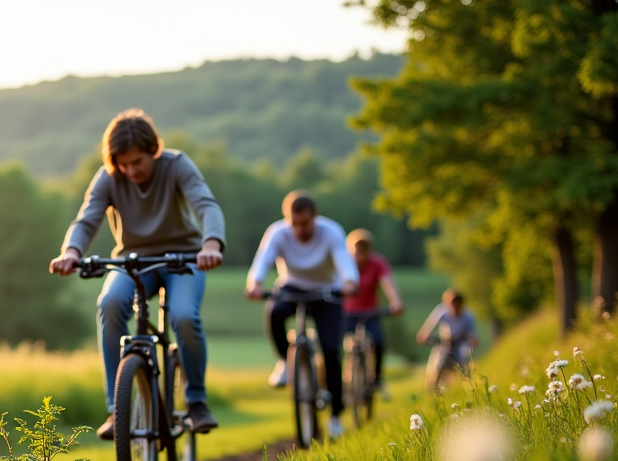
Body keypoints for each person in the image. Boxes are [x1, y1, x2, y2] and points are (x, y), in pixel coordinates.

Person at [50, 109, 225, 441]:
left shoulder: (176, 165)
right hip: (133, 262)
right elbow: (87, 219)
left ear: (153, 151)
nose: (131, 170)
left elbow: (206, 205)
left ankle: (197, 400)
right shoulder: (108, 177)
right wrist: (71, 252)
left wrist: (212, 243)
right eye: (123, 164)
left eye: (138, 162)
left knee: (185, 316)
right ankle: (117, 409)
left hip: (184, 259)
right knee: (110, 303)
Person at [245, 191, 359, 439]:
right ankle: (285, 362)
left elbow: (343, 259)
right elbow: (263, 259)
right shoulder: (278, 232)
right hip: (292, 286)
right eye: (293, 224)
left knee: (330, 350)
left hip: (327, 291)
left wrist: (349, 281)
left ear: (314, 218)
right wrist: (254, 283)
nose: (298, 230)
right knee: (274, 312)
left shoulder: (331, 231)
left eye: (304, 224)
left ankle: (336, 416)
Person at [341, 228, 404, 397]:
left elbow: (387, 283)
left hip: (371, 313)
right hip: (345, 313)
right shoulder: (344, 263)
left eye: (364, 251)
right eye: (356, 251)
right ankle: (335, 381)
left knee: (378, 342)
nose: (360, 256)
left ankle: (376, 380)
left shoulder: (377, 263)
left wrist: (395, 301)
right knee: (333, 345)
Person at [416, 288, 479, 392]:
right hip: (445, 344)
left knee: (464, 365)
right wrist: (424, 336)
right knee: (436, 366)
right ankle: (432, 392)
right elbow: (427, 328)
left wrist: (472, 340)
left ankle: (469, 390)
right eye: (452, 303)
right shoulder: (441, 312)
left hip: (460, 345)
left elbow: (473, 336)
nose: (455, 306)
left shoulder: (468, 316)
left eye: (457, 303)